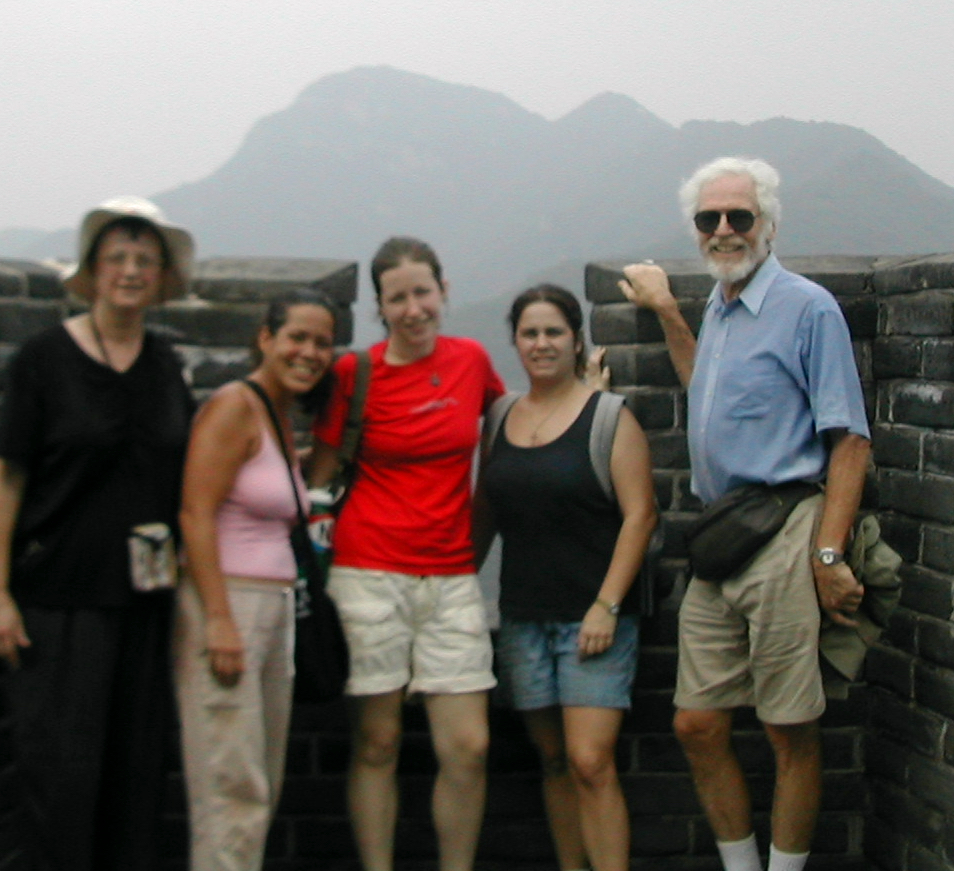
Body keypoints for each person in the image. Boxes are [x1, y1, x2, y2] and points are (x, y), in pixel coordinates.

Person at [619, 158, 871, 871]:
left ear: (767, 224)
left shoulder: (806, 306)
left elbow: (849, 438)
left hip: (788, 527)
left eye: (739, 217)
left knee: (789, 727)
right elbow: (707, 388)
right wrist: (670, 311)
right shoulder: (721, 304)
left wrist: (827, 555)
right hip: (722, 534)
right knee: (697, 723)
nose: (725, 231)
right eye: (709, 219)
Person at [0, 197, 196, 871]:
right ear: (93, 271)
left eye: (145, 261)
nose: (131, 272)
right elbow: (6, 478)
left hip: (146, 605)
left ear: (161, 278)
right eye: (117, 259)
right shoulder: (44, 360)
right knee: (63, 780)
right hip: (60, 604)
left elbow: (187, 472)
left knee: (137, 780)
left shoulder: (165, 365)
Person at [307, 236, 505, 871]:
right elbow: (322, 473)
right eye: (398, 298)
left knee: (468, 746)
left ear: (444, 292)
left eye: (423, 292)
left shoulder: (472, 361)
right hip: (367, 571)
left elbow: (512, 432)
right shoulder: (353, 375)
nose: (414, 308)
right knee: (377, 742)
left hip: (450, 575)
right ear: (379, 307)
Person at [474, 284, 657, 871]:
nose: (542, 343)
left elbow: (641, 515)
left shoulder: (609, 417)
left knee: (589, 760)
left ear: (576, 339)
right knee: (553, 761)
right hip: (524, 616)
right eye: (530, 333)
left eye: (554, 331)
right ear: (516, 343)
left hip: (594, 620)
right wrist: (454, 589)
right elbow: (485, 513)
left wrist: (605, 605)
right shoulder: (500, 416)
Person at [176, 288, 338, 871]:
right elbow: (195, 512)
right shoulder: (234, 406)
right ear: (265, 339)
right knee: (230, 785)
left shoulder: (276, 414)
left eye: (323, 342)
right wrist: (217, 619)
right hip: (230, 606)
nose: (310, 352)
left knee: (259, 779)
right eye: (297, 337)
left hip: (272, 608)